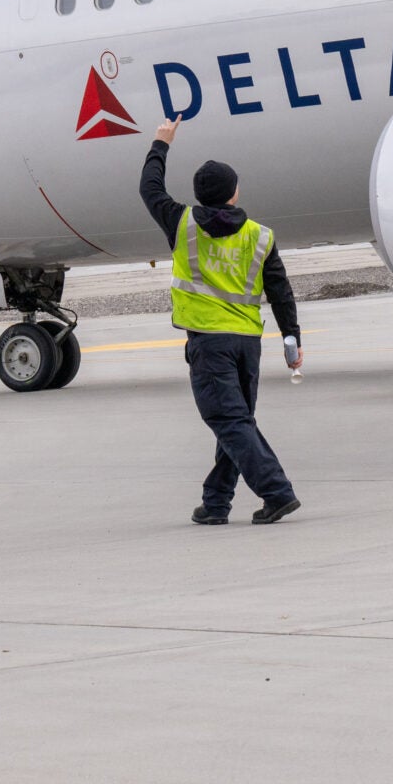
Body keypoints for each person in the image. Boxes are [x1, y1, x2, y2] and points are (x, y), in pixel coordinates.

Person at [140, 118, 302, 526]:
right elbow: (280, 291)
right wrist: (291, 340)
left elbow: (150, 189)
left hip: (210, 343)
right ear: (234, 192)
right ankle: (215, 504)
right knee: (236, 423)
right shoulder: (259, 236)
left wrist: (161, 143)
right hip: (248, 343)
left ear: (199, 195)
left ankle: (276, 492)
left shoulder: (182, 223)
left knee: (229, 422)